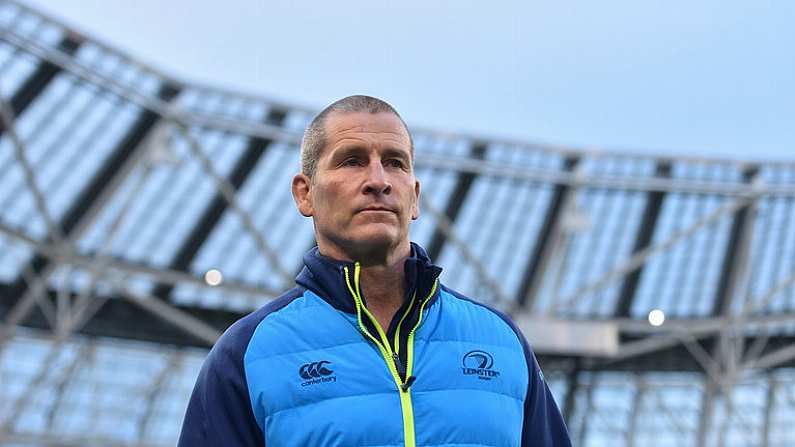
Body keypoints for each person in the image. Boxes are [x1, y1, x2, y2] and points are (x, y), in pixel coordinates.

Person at [178, 95, 571, 446]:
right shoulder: (247, 352)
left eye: (394, 162)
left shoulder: (500, 342)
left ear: (414, 197)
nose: (378, 181)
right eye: (352, 161)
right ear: (305, 193)